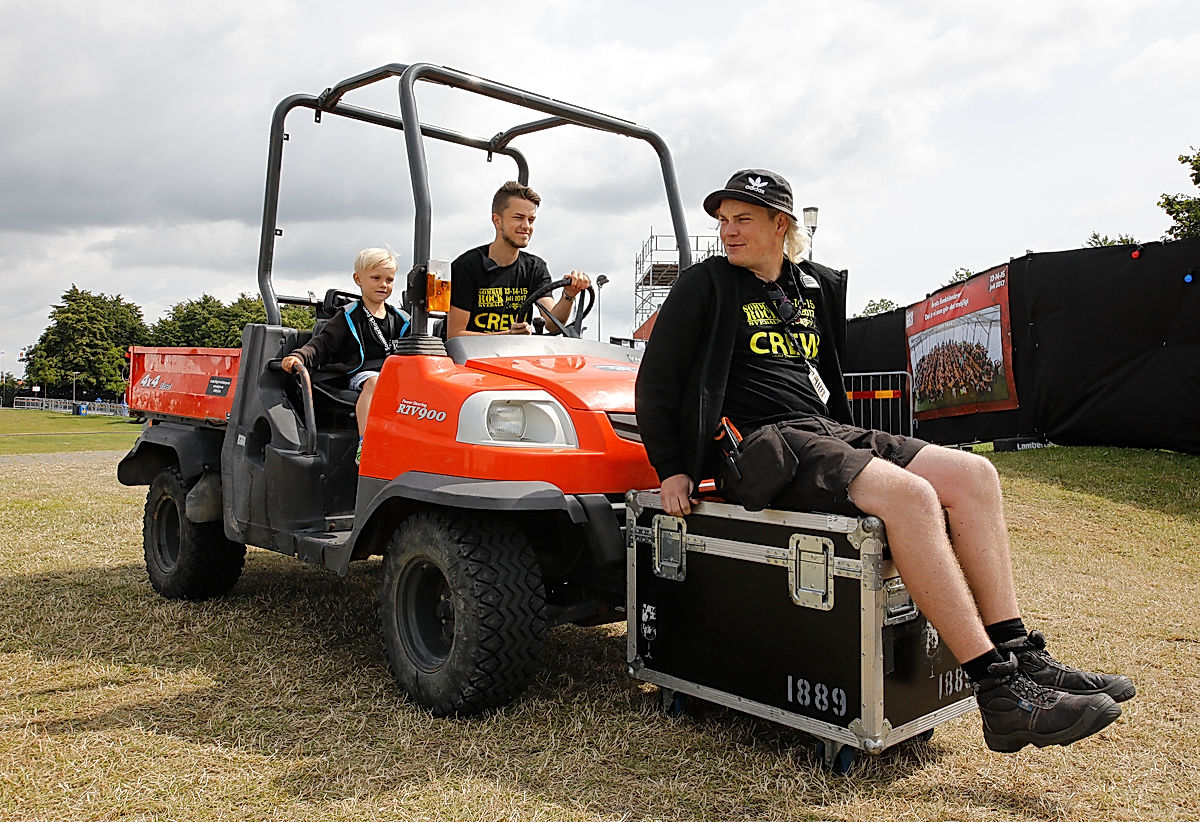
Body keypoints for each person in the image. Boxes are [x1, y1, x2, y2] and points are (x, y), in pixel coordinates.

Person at [635, 168, 1134, 754]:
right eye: (722, 220)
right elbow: (657, 380)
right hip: (760, 445)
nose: (727, 231)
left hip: (824, 430)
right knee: (911, 497)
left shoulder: (809, 289)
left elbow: (824, 381)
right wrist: (672, 467)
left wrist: (853, 437)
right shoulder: (705, 285)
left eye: (742, 218)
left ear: (781, 224)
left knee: (975, 475)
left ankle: (1023, 654)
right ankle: (999, 694)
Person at [281, 247, 411, 464]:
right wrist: (299, 356)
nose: (383, 284)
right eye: (376, 278)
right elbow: (322, 344)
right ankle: (367, 444)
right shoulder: (349, 316)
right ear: (358, 279)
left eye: (389, 279)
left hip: (394, 375)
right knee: (375, 382)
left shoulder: (401, 319)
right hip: (362, 375)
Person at [447, 181, 590, 338]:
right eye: (519, 218)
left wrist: (568, 295)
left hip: (516, 357)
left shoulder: (535, 267)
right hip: (470, 358)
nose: (526, 226)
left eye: (531, 220)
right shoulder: (467, 267)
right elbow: (455, 335)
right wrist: (507, 335)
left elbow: (552, 324)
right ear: (497, 221)